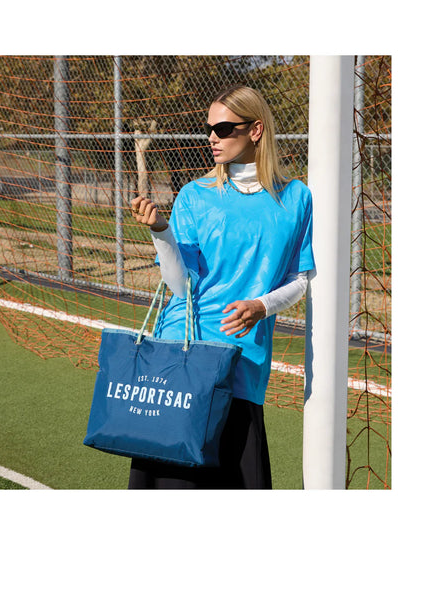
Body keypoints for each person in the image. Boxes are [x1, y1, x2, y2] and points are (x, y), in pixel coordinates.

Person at [128, 84, 315, 489]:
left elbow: (299, 279)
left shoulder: (297, 198)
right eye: (209, 128)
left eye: (224, 128)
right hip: (184, 356)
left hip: (244, 360)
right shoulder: (195, 196)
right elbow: (180, 287)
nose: (212, 137)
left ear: (256, 130)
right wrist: (161, 231)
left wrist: (262, 306)